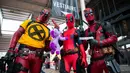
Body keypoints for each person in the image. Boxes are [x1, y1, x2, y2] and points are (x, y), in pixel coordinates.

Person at [5, 9, 52, 73]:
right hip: (23, 54)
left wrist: (56, 43)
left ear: (48, 18)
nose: (44, 15)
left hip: (38, 57)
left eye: (47, 15)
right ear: (40, 13)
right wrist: (11, 49)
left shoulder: (48, 30)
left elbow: (47, 48)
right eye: (43, 13)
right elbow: (17, 33)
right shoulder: (29, 22)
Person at [83, 8, 119, 73]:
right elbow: (84, 47)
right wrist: (79, 37)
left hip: (106, 58)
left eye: (90, 13)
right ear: (85, 17)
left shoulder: (103, 25)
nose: (89, 15)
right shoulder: (86, 32)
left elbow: (114, 38)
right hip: (94, 61)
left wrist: (99, 43)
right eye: (86, 14)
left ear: (93, 14)